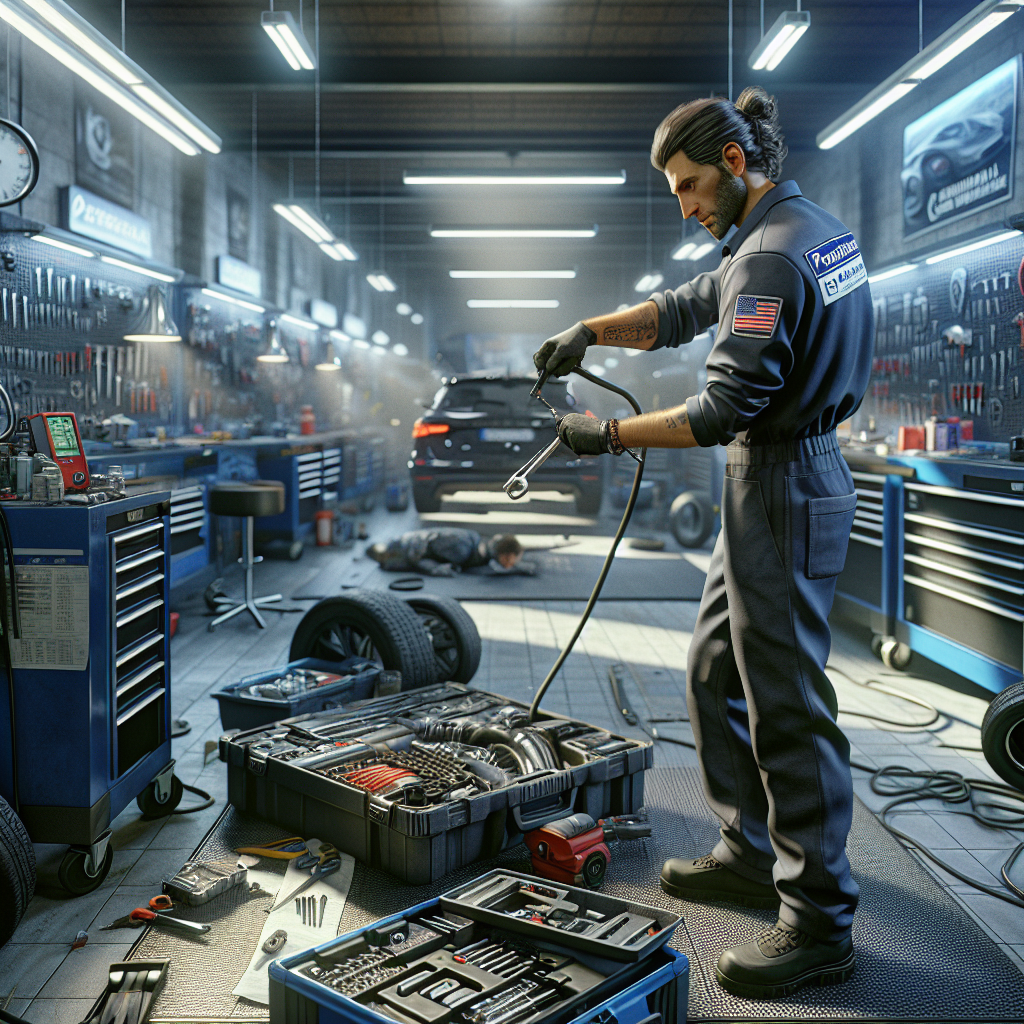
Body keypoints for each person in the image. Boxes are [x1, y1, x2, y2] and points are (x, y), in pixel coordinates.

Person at [533, 86, 873, 999]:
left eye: (687, 185)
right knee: (714, 668)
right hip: (774, 478)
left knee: (787, 706)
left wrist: (604, 435)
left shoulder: (770, 260)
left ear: (733, 163)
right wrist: (590, 333)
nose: (682, 206)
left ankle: (820, 922)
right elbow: (686, 306)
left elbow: (722, 411)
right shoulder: (795, 228)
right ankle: (752, 848)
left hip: (782, 483)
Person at [367, 528, 536, 577]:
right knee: (376, 554)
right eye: (511, 561)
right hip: (398, 550)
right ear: (504, 555)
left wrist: (519, 568)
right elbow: (417, 553)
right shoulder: (461, 548)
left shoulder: (476, 549)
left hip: (406, 546)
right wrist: (435, 569)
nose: (511, 565)